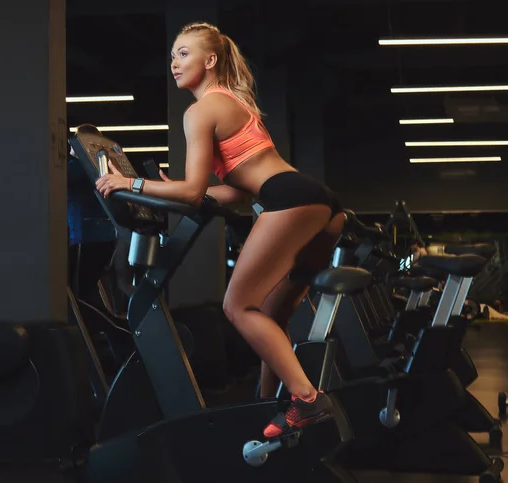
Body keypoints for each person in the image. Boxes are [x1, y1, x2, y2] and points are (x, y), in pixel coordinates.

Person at [95, 22, 344, 438]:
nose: (174, 62)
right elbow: (239, 191)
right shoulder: (236, 103)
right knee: (270, 315)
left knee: (237, 306)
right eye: (172, 54)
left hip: (290, 200)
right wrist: (178, 188)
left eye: (184, 53)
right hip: (321, 203)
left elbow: (191, 194)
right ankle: (268, 407)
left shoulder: (201, 109)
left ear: (210, 60)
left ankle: (307, 399)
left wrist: (129, 184)